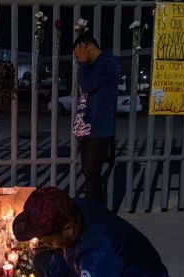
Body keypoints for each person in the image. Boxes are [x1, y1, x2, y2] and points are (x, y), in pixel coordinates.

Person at [12, 187, 169, 277]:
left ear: (68, 228)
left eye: (48, 241)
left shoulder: (99, 253)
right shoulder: (73, 208)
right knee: (42, 260)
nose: (47, 244)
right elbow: (60, 253)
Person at [72, 34, 119, 204]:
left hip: (98, 129)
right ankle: (94, 210)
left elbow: (86, 86)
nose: (79, 61)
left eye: (79, 55)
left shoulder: (108, 65)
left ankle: (95, 213)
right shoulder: (95, 66)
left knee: (92, 173)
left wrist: (84, 64)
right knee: (89, 173)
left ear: (88, 47)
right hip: (89, 129)